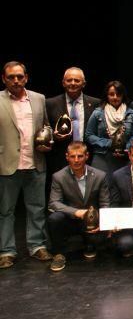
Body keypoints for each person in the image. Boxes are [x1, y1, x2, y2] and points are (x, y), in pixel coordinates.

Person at [0, 61, 52, 267]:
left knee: (37, 208)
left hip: (35, 163)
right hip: (6, 163)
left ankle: (37, 246)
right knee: (6, 211)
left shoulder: (39, 99)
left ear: (26, 78)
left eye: (19, 76)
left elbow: (46, 126)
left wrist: (48, 142)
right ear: (4, 79)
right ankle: (6, 251)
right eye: (11, 77)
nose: (16, 80)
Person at [47, 141, 110, 272]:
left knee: (102, 242)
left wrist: (103, 222)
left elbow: (105, 204)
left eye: (80, 156)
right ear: (67, 157)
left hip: (92, 222)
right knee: (54, 218)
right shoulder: (58, 177)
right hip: (71, 220)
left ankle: (89, 244)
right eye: (72, 156)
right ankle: (59, 254)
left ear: (87, 156)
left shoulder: (100, 175)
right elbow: (54, 202)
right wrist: (76, 212)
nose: (76, 160)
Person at [45, 67, 101, 173]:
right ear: (63, 83)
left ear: (83, 84)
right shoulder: (50, 104)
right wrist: (54, 135)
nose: (73, 83)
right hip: (60, 159)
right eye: (69, 80)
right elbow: (44, 128)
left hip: (88, 158)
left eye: (77, 80)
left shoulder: (95, 104)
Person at [85, 81, 133, 173]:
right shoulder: (97, 113)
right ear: (107, 95)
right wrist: (110, 143)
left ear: (123, 95)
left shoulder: (132, 114)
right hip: (102, 156)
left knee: (123, 186)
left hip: (124, 157)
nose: (115, 97)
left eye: (118, 94)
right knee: (101, 186)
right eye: (111, 94)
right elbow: (89, 135)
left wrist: (124, 147)